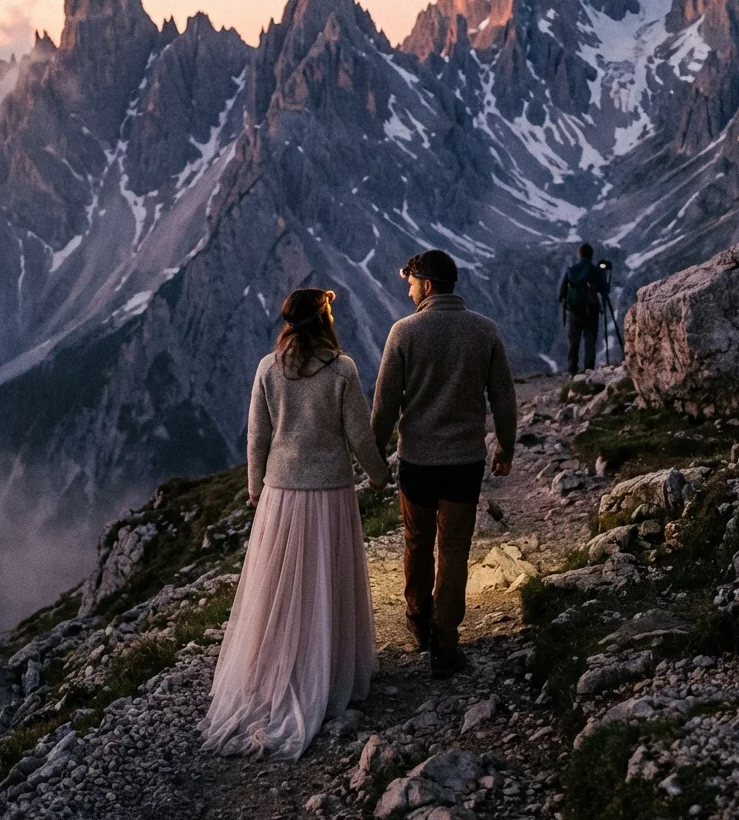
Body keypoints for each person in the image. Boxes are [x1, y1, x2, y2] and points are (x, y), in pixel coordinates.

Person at [198, 287, 390, 760]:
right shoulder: (341, 368)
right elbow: (359, 433)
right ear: (322, 319)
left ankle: (274, 672)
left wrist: (255, 486)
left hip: (282, 493)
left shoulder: (268, 367)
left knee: (279, 584)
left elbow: (256, 435)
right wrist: (381, 474)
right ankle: (327, 672)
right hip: (329, 491)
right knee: (325, 578)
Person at [371, 250, 517, 679]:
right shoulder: (484, 330)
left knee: (417, 542)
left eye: (412, 282)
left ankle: (418, 621)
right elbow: (504, 398)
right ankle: (446, 642)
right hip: (464, 461)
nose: (409, 289)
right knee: (453, 549)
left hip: (417, 460)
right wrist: (505, 447)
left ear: (428, 285)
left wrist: (376, 455)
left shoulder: (404, 332)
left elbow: (384, 406)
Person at [558, 243, 608, 375]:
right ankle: (588, 371)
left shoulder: (571, 269)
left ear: (579, 254)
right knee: (589, 341)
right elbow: (604, 290)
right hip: (590, 311)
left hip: (573, 310)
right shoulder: (594, 270)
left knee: (574, 341)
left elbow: (562, 292)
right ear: (591, 256)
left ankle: (572, 370)